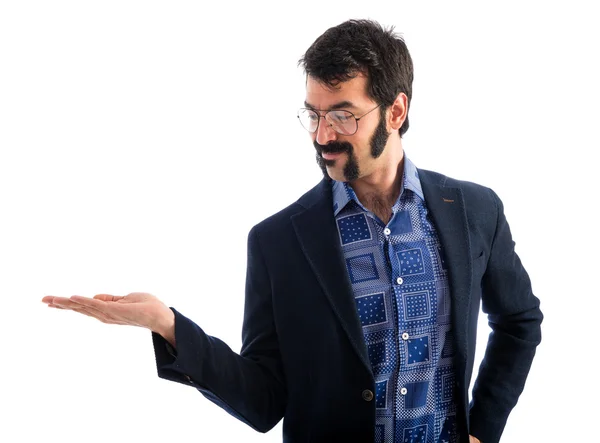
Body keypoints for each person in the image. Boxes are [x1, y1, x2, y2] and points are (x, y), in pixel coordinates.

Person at [41, 19, 543, 443]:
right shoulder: (278, 241)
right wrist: (169, 325)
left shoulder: (473, 210)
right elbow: (263, 399)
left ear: (396, 111)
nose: (323, 136)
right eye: (314, 115)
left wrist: (483, 428)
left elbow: (519, 321)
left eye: (343, 116)